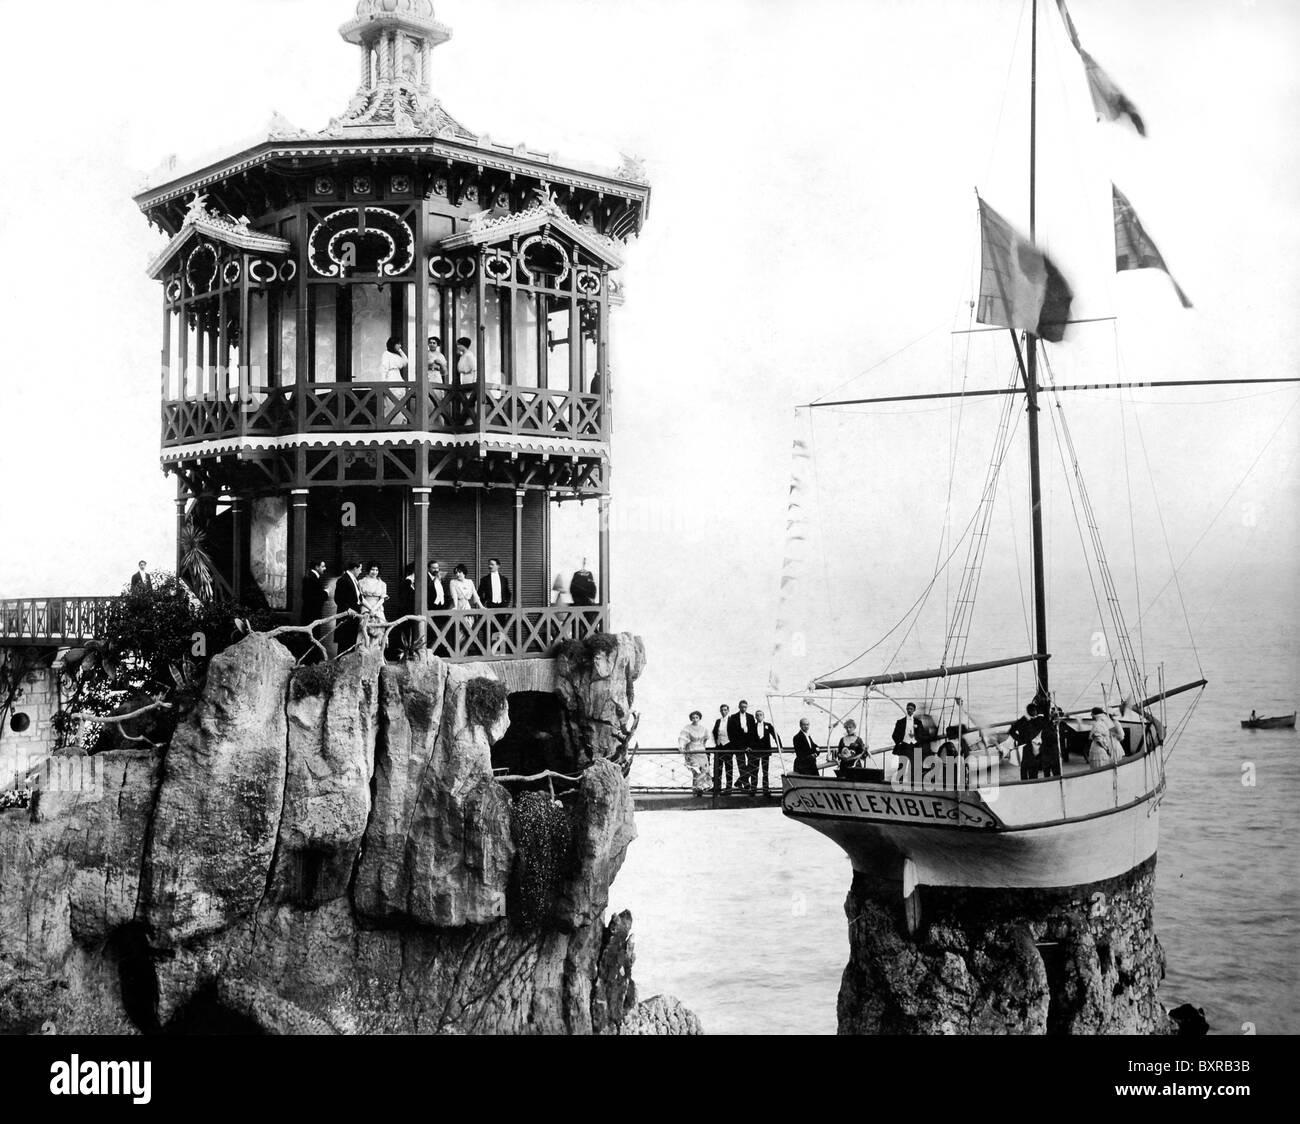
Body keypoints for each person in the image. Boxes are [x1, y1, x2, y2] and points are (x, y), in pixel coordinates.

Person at [677, 710, 710, 796]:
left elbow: (706, 738)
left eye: (697, 717)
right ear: (691, 719)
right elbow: (682, 738)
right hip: (692, 750)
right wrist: (681, 747)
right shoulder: (687, 728)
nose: (695, 719)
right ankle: (696, 789)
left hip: (701, 750)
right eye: (693, 718)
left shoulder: (703, 728)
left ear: (699, 718)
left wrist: (703, 745)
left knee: (704, 770)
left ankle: (701, 789)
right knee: (696, 770)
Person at [727, 699, 758, 790]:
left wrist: (751, 745)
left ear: (747, 707)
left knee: (752, 764)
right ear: (739, 707)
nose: (744, 708)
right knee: (741, 764)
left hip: (749, 745)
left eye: (745, 707)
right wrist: (735, 744)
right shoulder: (733, 717)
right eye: (742, 707)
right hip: (738, 745)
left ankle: (740, 781)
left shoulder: (751, 717)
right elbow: (731, 732)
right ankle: (746, 783)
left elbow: (753, 732)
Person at [333, 560, 363, 653]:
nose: (360, 572)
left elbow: (359, 597)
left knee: (351, 641)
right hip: (346, 615)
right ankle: (342, 664)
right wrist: (348, 609)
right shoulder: (343, 580)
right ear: (355, 569)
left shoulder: (354, 580)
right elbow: (338, 598)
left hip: (355, 615)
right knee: (344, 642)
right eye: (360, 569)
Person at [752, 708, 781, 797]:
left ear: (763, 716)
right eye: (757, 715)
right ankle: (753, 789)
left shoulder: (768, 725)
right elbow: (748, 738)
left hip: (765, 751)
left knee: (765, 771)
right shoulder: (752, 726)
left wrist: (780, 746)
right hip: (755, 752)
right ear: (755, 717)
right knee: (754, 771)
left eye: (761, 715)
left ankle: (765, 789)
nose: (759, 716)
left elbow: (775, 735)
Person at [1010, 702, 1041, 780]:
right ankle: (1024, 781)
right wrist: (1019, 739)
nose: (1036, 712)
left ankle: (1034, 780)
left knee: (1034, 764)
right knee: (1024, 765)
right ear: (1030, 711)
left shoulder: (1036, 720)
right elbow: (1011, 731)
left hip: (1034, 745)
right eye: (1034, 711)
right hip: (1024, 746)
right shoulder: (1022, 720)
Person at [892, 702, 920, 784]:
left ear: (914, 710)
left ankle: (913, 783)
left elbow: (923, 734)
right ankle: (899, 783)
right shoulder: (900, 722)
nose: (909, 710)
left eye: (911, 709)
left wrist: (917, 738)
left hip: (915, 746)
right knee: (902, 766)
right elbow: (894, 735)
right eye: (908, 709)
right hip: (904, 746)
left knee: (915, 766)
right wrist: (899, 742)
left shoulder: (918, 722)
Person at [359, 562, 389, 637]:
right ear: (368, 570)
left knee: (379, 629)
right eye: (372, 569)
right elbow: (360, 598)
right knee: (364, 629)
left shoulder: (382, 584)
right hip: (365, 607)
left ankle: (377, 648)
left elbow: (382, 599)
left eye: (376, 570)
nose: (374, 572)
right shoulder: (361, 582)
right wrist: (370, 608)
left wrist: (374, 609)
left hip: (378, 608)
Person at [710, 704, 734, 794]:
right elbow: (714, 732)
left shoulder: (732, 720)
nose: (723, 711)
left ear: (728, 711)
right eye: (722, 710)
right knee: (718, 768)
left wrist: (732, 746)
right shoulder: (718, 721)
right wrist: (716, 742)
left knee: (728, 768)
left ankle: (728, 788)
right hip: (719, 747)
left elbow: (735, 734)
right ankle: (717, 787)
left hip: (728, 746)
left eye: (725, 710)